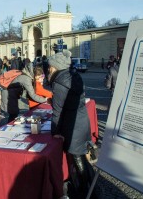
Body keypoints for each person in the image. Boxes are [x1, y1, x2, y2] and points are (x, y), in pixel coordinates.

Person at [48, 50, 92, 198]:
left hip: (72, 126)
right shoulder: (74, 75)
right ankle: (89, 188)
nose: (48, 69)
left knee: (77, 159)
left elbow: (57, 111)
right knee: (81, 157)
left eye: (50, 67)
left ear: (55, 67)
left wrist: (54, 132)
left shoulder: (59, 82)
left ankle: (85, 191)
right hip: (82, 120)